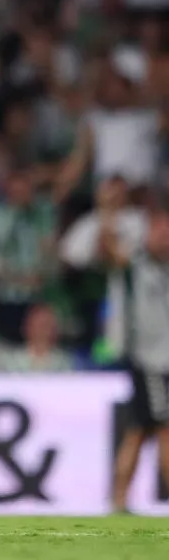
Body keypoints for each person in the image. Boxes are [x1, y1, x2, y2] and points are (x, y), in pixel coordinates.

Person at [103, 208, 169, 513]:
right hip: (152, 360)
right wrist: (107, 210)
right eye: (161, 233)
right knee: (166, 428)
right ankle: (118, 499)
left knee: (137, 431)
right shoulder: (135, 266)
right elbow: (109, 250)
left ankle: (118, 500)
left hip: (160, 361)